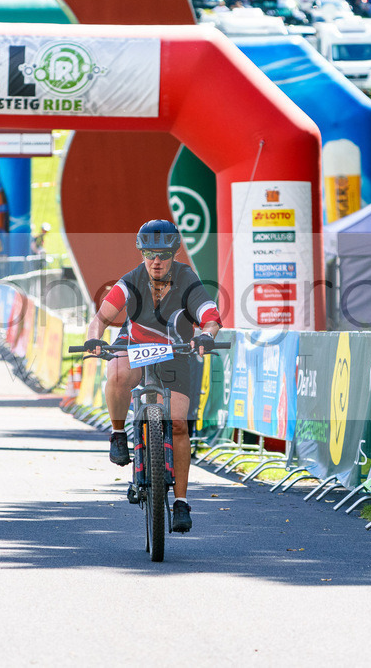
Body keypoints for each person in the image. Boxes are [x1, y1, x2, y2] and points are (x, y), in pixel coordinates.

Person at [84, 219, 221, 533]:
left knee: (177, 424)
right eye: (149, 253)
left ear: (173, 253)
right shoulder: (130, 280)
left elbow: (209, 318)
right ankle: (119, 434)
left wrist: (206, 336)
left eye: (162, 254)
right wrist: (94, 338)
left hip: (175, 352)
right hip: (134, 345)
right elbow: (101, 318)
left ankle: (182, 502)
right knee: (116, 371)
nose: (156, 260)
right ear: (141, 253)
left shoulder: (188, 280)